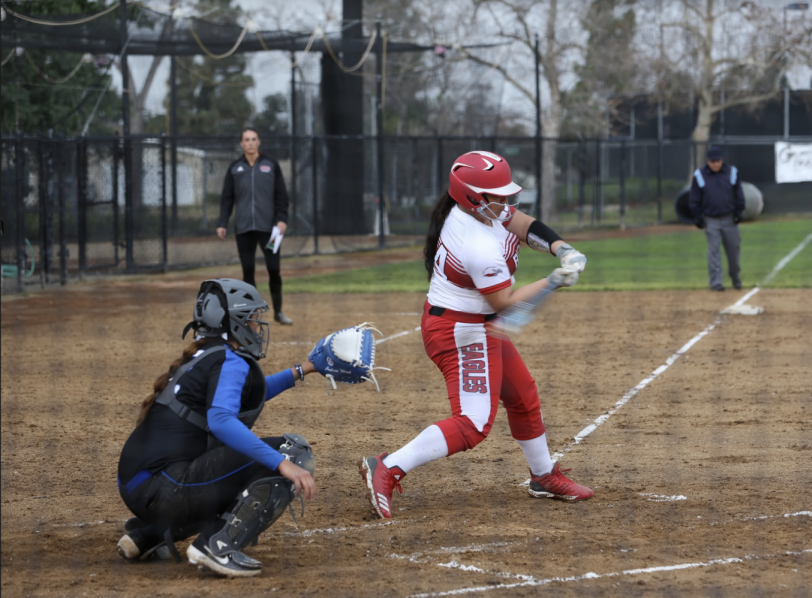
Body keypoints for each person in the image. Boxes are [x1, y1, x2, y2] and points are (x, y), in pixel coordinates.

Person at [358, 150, 594, 520]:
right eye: (497, 195)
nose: (505, 202)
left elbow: (520, 221)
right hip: (460, 330)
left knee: (522, 395)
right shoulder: (476, 243)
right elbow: (505, 302)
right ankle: (387, 466)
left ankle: (543, 475)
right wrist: (552, 281)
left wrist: (561, 248)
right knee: (472, 424)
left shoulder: (480, 210)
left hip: (476, 322)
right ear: (472, 197)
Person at [116, 278, 317, 578]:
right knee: (294, 453)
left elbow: (249, 394)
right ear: (234, 321)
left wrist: (305, 369)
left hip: (142, 486)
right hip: (166, 489)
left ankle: (151, 534)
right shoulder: (229, 360)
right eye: (251, 317)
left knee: (231, 463)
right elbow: (222, 421)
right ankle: (215, 545)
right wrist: (282, 463)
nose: (256, 325)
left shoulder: (205, 355)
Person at [216, 128, 293, 325]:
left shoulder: (271, 165)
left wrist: (282, 219)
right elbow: (227, 198)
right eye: (246, 140)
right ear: (241, 144)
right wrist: (222, 222)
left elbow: (281, 196)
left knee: (273, 268)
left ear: (259, 142)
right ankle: (251, 315)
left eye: (253, 139)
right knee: (248, 270)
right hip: (243, 229)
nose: (250, 142)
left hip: (269, 229)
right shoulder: (235, 168)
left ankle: (278, 312)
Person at [689, 146, 745, 291]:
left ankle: (735, 278)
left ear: (722, 160)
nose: (715, 164)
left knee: (733, 250)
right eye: (712, 161)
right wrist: (697, 216)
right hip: (711, 219)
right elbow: (694, 198)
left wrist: (739, 212)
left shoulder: (732, 172)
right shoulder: (699, 175)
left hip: (729, 218)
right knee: (713, 252)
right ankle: (716, 282)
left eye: (718, 161)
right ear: (707, 161)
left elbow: (739, 194)